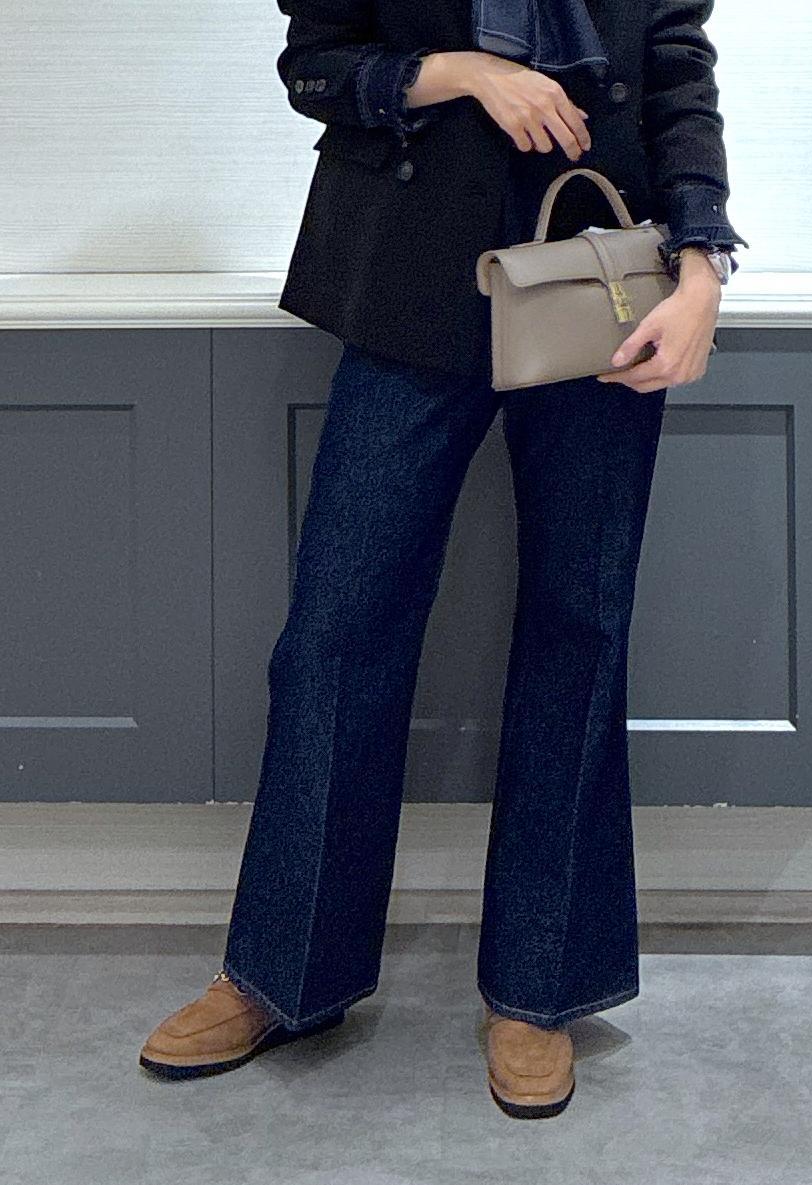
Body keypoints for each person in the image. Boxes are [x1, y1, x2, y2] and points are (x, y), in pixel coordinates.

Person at [140, 0, 749, 1120]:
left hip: (606, 279)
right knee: (335, 630)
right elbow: (318, 65)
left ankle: (539, 987)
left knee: (579, 626)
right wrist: (467, 71)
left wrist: (703, 267)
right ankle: (282, 970)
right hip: (411, 272)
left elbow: (676, 71)